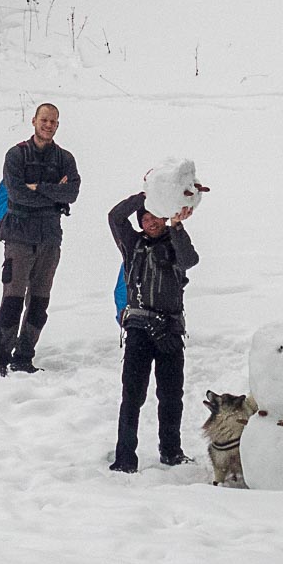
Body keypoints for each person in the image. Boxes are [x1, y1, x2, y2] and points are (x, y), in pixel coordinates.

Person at [107, 191, 199, 472]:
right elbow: (115, 217)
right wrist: (148, 194)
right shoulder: (131, 244)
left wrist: (177, 225)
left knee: (171, 396)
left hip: (170, 330)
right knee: (132, 396)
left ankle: (171, 451)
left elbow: (190, 260)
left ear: (163, 217)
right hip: (138, 329)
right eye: (145, 218)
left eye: (154, 216)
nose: (150, 222)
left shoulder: (175, 242)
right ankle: (124, 458)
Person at [0, 103, 81, 376]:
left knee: (39, 301)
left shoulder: (65, 158)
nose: (48, 125)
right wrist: (54, 192)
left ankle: (24, 357)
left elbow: (72, 193)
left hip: (50, 238)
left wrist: (39, 187)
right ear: (34, 121)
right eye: (44, 120)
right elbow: (17, 194)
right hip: (18, 236)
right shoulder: (16, 155)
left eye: (53, 121)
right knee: (13, 299)